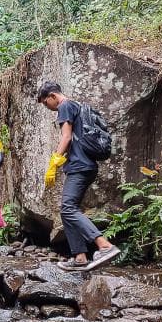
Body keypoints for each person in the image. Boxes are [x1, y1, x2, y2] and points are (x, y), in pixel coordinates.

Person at [37, 81, 120, 271]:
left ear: (52, 96)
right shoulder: (79, 106)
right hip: (87, 166)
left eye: (45, 102)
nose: (46, 107)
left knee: (67, 208)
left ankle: (104, 245)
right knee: (68, 209)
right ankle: (80, 256)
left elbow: (66, 137)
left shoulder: (64, 106)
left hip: (79, 167)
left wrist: (54, 161)